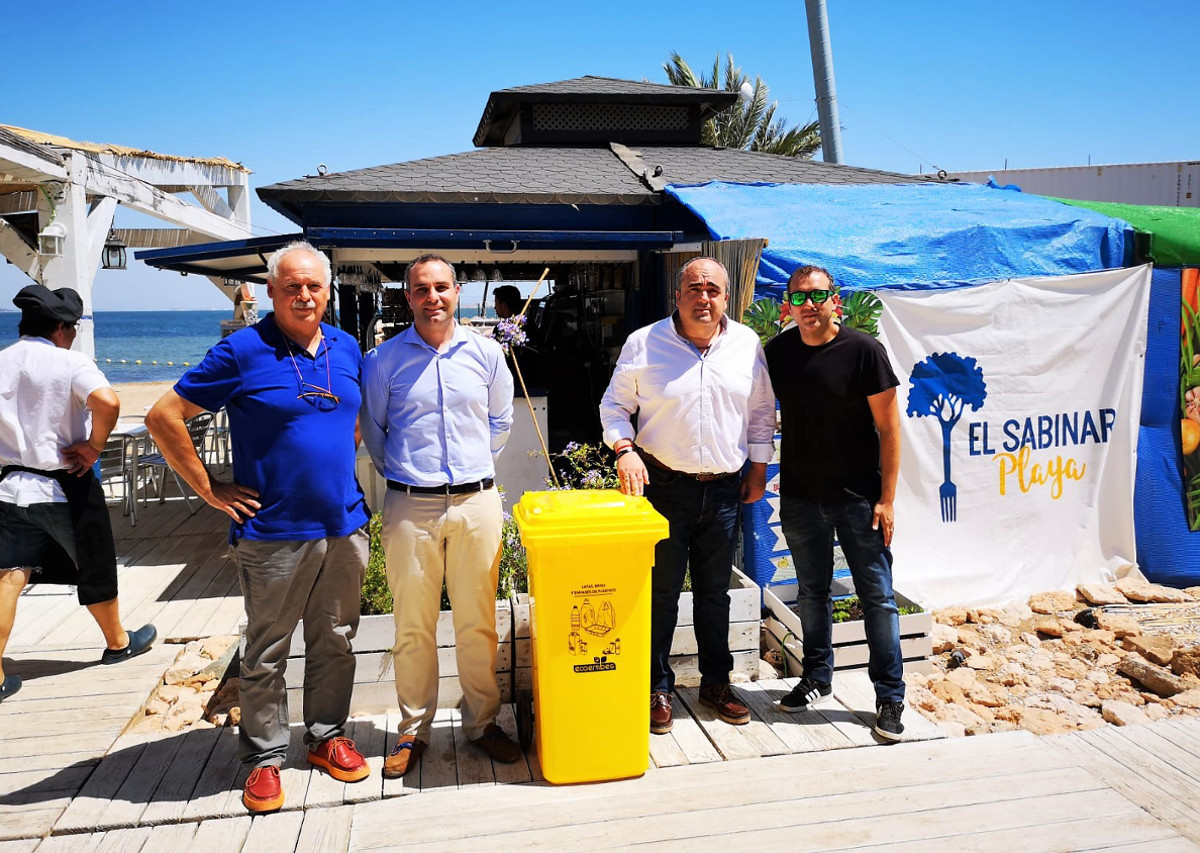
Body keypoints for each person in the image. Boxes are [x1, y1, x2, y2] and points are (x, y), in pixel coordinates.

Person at [145, 242, 372, 812]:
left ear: (327, 290)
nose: (304, 295)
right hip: (273, 532)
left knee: (336, 641)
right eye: (292, 285)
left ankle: (325, 738)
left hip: (344, 525)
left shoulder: (346, 346)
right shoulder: (242, 350)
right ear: (271, 291)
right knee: (266, 650)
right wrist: (209, 490)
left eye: (314, 286)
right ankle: (264, 758)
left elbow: (354, 420)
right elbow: (163, 416)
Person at [361, 253, 521, 778]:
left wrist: (471, 472)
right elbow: (378, 437)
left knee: (478, 622)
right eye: (421, 289)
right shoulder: (383, 361)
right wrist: (416, 477)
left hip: (477, 502)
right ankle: (413, 730)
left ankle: (482, 723)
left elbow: (501, 421)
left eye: (442, 287)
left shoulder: (487, 354)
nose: (433, 297)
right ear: (407, 297)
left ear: (457, 292)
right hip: (411, 504)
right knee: (413, 625)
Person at [599, 257, 775, 735]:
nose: (704, 297)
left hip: (723, 489)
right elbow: (614, 405)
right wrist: (623, 448)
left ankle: (716, 684)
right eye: (694, 288)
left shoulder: (745, 344)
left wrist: (759, 467)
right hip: (663, 488)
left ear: (726, 298)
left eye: (713, 289)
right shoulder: (645, 343)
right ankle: (657, 686)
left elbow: (760, 412)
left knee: (716, 594)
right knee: (660, 593)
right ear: (677, 296)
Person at [764, 264, 906, 741]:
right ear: (789, 303)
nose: (809, 305)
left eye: (817, 295)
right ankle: (817, 679)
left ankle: (889, 697)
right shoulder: (778, 354)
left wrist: (886, 499)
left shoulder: (864, 351)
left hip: (859, 499)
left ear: (834, 300)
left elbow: (889, 430)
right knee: (811, 594)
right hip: (801, 498)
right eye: (799, 297)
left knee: (878, 600)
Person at [0, 285, 157, 704]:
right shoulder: (68, 361)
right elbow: (107, 400)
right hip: (63, 483)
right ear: (61, 328)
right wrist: (93, 446)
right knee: (94, 562)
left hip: (9, 485)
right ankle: (118, 641)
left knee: (8, 575)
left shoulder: (1, 362)